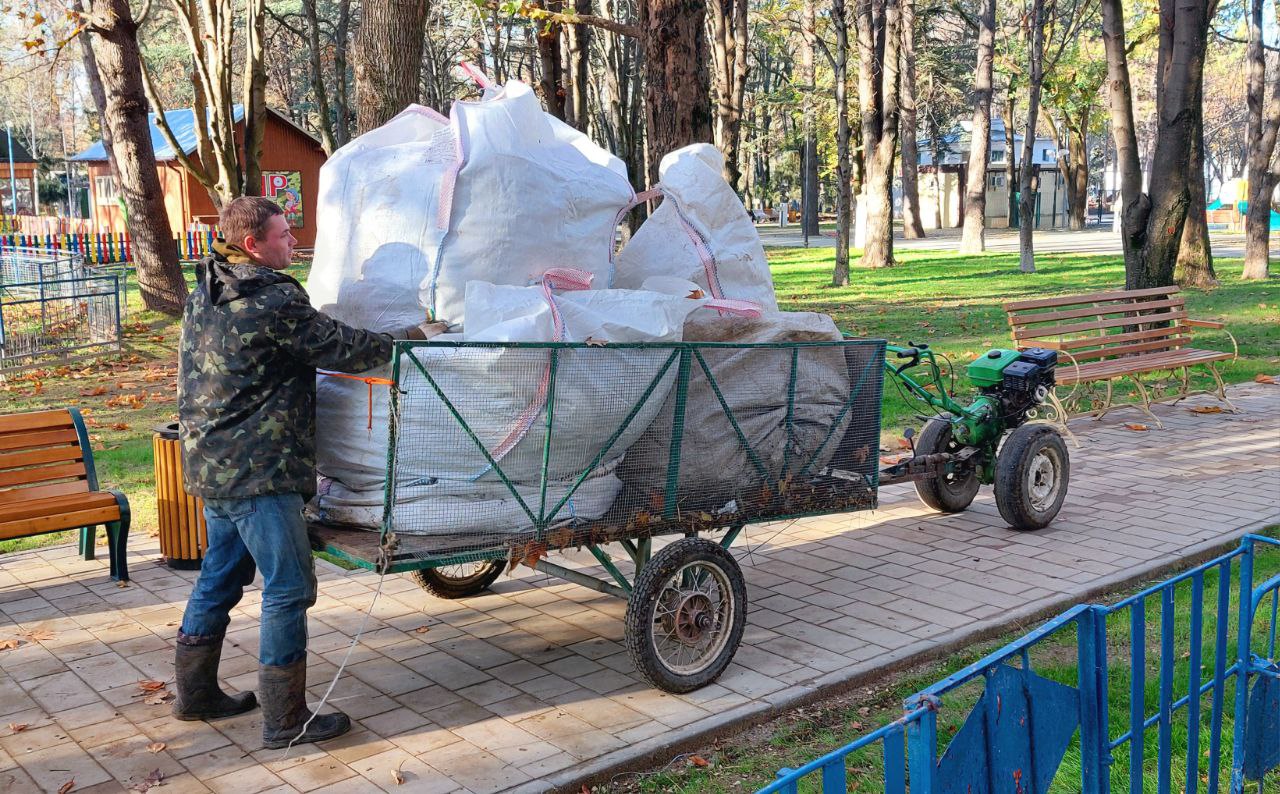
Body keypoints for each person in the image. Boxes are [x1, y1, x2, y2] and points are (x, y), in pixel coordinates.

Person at [173, 196, 441, 749]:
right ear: (254, 245)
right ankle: (285, 720)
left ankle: (196, 695)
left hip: (211, 465)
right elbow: (341, 347)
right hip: (259, 473)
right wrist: (412, 340)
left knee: (218, 579)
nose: (293, 242)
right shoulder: (270, 300)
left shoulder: (207, 289)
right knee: (289, 587)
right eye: (284, 235)